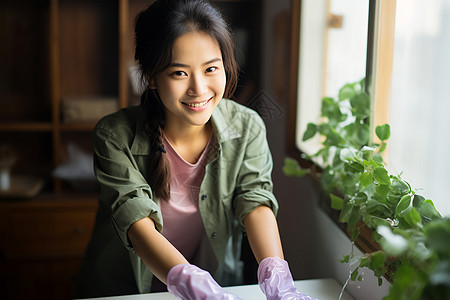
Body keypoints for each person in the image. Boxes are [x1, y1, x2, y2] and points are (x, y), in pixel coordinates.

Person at [75, 0, 316, 299]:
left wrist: (277, 275)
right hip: (126, 290)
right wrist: (189, 281)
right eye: (179, 73)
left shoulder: (247, 127)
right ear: (150, 76)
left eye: (211, 68)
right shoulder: (114, 135)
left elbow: (255, 201)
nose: (199, 89)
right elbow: (136, 221)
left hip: (219, 284)